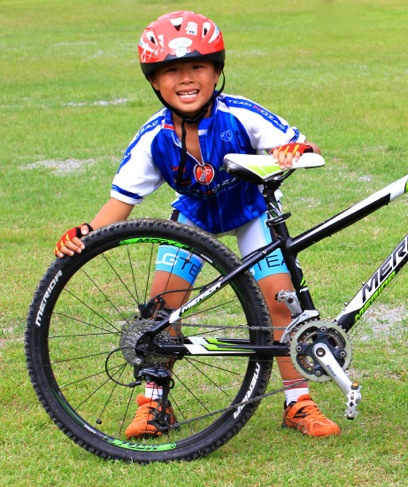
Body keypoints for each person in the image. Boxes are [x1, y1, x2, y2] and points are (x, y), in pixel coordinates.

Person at [54, 11, 340, 439]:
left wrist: (292, 150)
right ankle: (153, 402)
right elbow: (121, 202)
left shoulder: (241, 114)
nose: (186, 79)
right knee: (161, 309)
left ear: (217, 71)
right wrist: (86, 236)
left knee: (280, 301)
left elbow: (300, 145)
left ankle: (297, 401)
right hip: (191, 220)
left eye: (197, 67)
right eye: (171, 70)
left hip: (251, 213)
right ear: (154, 80)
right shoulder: (154, 137)